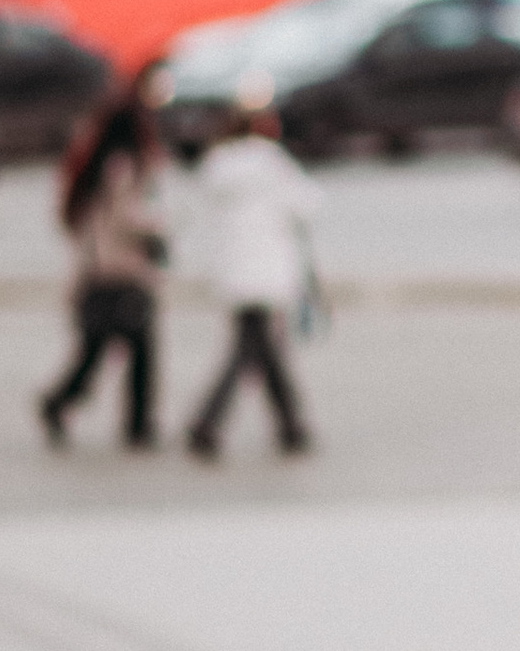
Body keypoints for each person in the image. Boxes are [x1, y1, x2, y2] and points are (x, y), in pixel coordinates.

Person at [185, 94, 320, 461]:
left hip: (234, 272)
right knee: (251, 348)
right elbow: (308, 205)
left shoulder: (216, 166)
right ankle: (211, 422)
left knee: (259, 347)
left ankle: (289, 424)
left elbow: (201, 217)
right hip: (268, 272)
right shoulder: (272, 163)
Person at [38, 86, 168, 450]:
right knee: (140, 352)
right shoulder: (125, 165)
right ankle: (137, 424)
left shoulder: (96, 162)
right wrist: (159, 228)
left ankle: (59, 402)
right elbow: (130, 217)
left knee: (94, 351)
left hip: (97, 272)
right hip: (122, 272)